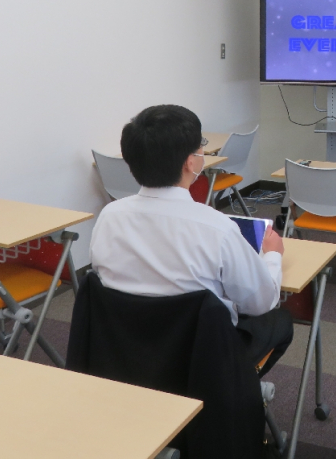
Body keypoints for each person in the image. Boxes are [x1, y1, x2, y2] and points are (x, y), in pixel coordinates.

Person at [90, 104, 292, 376]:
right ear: (190, 162)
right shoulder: (217, 228)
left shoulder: (109, 216)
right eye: (201, 147)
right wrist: (273, 255)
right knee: (280, 322)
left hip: (126, 350)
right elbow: (260, 302)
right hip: (201, 357)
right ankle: (237, 388)